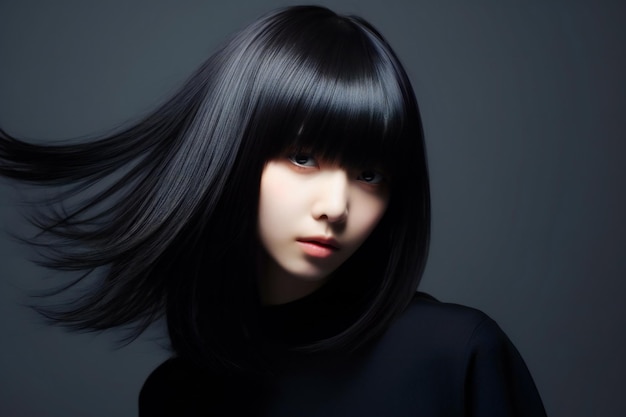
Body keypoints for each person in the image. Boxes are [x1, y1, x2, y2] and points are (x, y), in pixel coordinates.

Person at [0, 5, 547, 416]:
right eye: (303, 157)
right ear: (230, 156)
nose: (336, 207)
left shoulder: (456, 355)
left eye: (369, 174)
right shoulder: (178, 395)